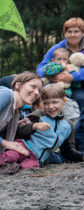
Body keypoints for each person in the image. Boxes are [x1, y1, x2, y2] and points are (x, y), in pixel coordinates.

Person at [0, 84, 84, 171]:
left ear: (64, 101)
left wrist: (81, 156)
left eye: (55, 102)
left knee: (27, 168)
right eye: (46, 103)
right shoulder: (38, 115)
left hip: (37, 159)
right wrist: (34, 126)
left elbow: (67, 151)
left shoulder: (68, 126)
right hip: (23, 147)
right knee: (9, 157)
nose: (51, 107)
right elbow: (17, 132)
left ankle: (3, 170)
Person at [36, 17, 84, 150]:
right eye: (69, 31)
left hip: (79, 85)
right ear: (65, 33)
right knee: (48, 100)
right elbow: (41, 67)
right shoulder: (58, 48)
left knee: (82, 100)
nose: (73, 35)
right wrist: (53, 75)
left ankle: (79, 142)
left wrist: (73, 77)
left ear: (82, 33)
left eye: (76, 31)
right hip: (58, 85)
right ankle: (50, 137)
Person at [40, 51, 80, 127]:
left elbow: (77, 84)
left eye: (65, 59)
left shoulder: (70, 68)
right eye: (59, 59)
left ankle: (72, 130)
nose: (62, 61)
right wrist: (62, 67)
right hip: (51, 95)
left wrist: (71, 75)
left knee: (71, 113)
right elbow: (47, 72)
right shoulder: (50, 66)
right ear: (53, 60)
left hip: (65, 96)